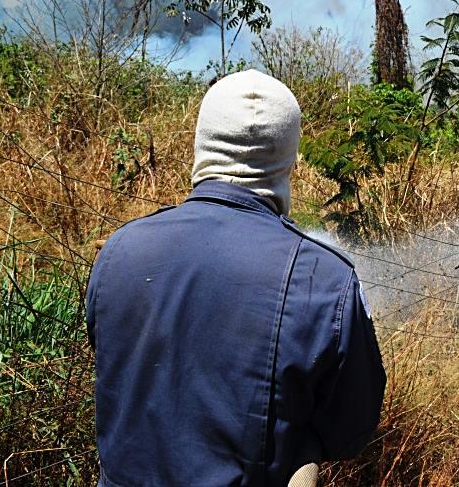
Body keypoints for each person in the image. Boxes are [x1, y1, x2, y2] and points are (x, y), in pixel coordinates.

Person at [86, 69, 385, 486]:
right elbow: (351, 432)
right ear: (288, 158)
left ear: (201, 143)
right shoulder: (325, 279)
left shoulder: (119, 250)